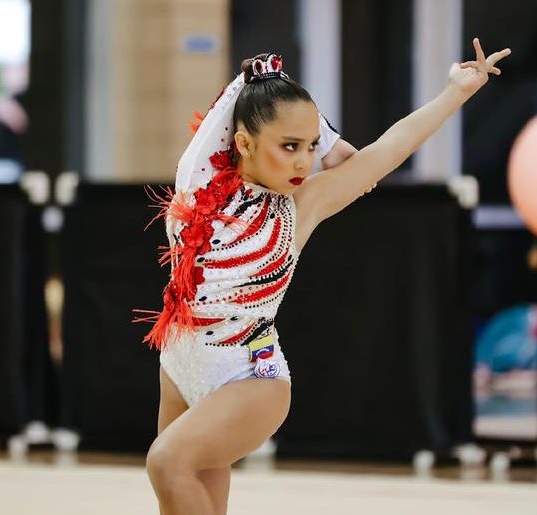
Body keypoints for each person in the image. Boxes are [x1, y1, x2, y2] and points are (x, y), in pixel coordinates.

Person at [138, 38, 511, 515]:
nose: (302, 161)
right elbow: (225, 111)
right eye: (290, 146)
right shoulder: (197, 184)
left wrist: (455, 92)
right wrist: (266, 84)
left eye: (312, 146)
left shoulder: (301, 205)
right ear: (244, 143)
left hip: (247, 375)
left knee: (166, 463)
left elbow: (385, 151)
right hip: (180, 366)